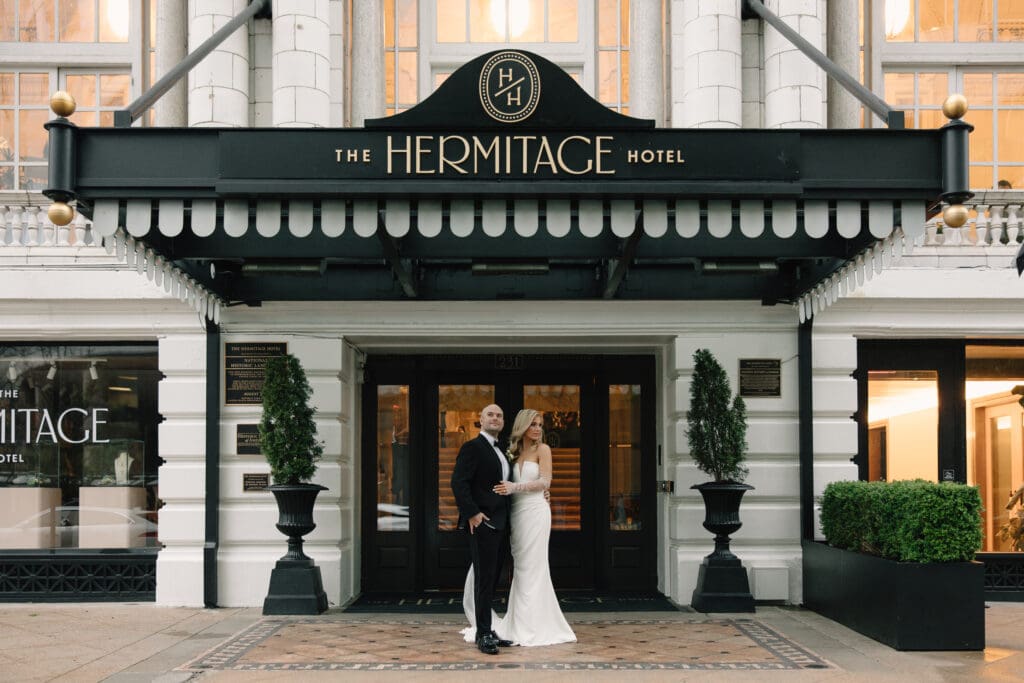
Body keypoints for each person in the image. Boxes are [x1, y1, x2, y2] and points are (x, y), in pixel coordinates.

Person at [461, 409, 576, 647]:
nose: (537, 429)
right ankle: (517, 624)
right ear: (522, 427)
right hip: (515, 516)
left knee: (535, 567)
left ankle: (536, 626)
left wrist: (518, 488)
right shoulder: (511, 452)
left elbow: (545, 481)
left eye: (540, 424)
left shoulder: (543, 450)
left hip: (536, 513)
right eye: (533, 424)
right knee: (521, 569)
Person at [450, 403, 513, 655]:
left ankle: (488, 628)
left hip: (502, 524)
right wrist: (473, 514)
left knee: (493, 579)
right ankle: (483, 633)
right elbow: (458, 483)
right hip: (484, 524)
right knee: (484, 581)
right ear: (481, 419)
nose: (495, 418)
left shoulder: (502, 451)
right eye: (490, 414)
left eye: (499, 415)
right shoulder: (472, 447)